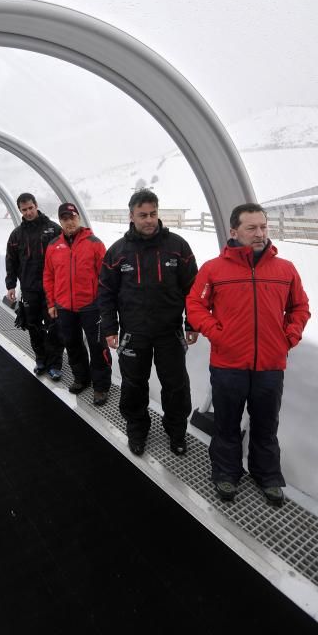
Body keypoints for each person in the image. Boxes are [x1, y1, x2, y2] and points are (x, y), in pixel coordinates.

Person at [186, 203, 310, 506]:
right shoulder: (214, 269)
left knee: (266, 425)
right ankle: (226, 472)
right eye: (251, 228)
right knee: (227, 423)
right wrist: (217, 333)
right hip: (228, 363)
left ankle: (266, 475)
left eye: (263, 227)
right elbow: (195, 304)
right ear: (234, 231)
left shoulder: (285, 269)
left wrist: (289, 336)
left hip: (270, 364)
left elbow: (300, 307)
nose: (259, 233)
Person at [98, 189, 199, 456]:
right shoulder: (117, 252)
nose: (149, 220)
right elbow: (105, 293)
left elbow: (193, 289)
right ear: (131, 216)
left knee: (176, 386)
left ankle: (176, 431)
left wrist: (192, 323)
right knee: (133, 385)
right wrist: (109, 328)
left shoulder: (178, 247)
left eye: (153, 214)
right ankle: (137, 429)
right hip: (134, 333)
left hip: (170, 332)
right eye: (143, 215)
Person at [43, 202, 112, 406]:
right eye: (64, 218)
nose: (69, 222)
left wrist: (103, 304)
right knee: (72, 345)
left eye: (72, 217)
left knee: (98, 347)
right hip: (64, 306)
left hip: (91, 306)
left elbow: (106, 278)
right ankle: (81, 378)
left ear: (79, 218)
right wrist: (51, 303)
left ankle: (101, 386)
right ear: (60, 222)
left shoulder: (94, 243)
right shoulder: (53, 246)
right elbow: (48, 275)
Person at [5, 193, 64, 380]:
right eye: (24, 209)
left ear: (36, 205)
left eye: (31, 207)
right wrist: (11, 285)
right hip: (29, 289)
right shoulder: (17, 235)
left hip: (51, 289)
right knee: (33, 326)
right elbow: (11, 261)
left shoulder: (53, 229)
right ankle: (41, 359)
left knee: (54, 326)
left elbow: (64, 258)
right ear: (20, 210)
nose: (29, 212)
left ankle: (55, 364)